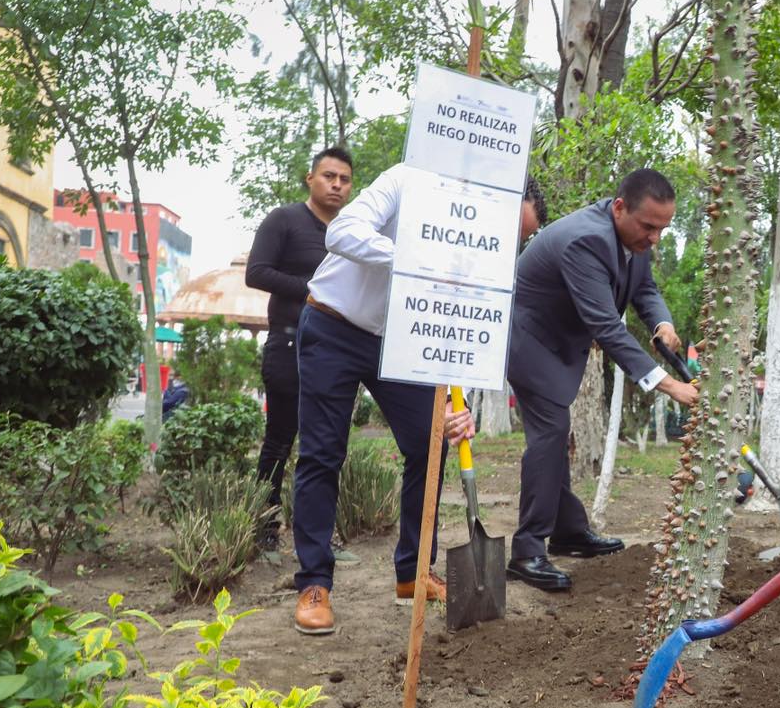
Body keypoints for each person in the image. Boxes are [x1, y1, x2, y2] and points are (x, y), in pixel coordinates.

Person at [290, 162, 545, 635]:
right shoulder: (407, 180)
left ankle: (413, 571)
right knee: (323, 454)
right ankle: (314, 584)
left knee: (429, 444)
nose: (510, 247)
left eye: (521, 241)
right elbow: (341, 232)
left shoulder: (479, 257)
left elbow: (461, 326)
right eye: (511, 233)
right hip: (333, 324)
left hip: (400, 344)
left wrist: (459, 403)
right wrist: (419, 258)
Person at [503, 169, 699, 592]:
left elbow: (643, 286)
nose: (655, 239)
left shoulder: (635, 236)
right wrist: (670, 385)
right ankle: (527, 552)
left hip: (558, 343)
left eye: (663, 229)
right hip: (529, 341)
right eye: (649, 227)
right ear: (618, 208)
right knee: (550, 434)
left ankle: (569, 531)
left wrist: (662, 322)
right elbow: (608, 328)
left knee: (556, 434)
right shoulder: (585, 241)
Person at [245, 146, 355, 551]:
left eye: (344, 179)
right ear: (311, 178)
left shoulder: (350, 230)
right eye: (329, 176)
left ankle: (319, 537)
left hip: (337, 350)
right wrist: (315, 289)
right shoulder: (285, 220)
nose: (336, 185)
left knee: (325, 446)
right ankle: (264, 529)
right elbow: (256, 273)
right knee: (279, 440)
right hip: (288, 341)